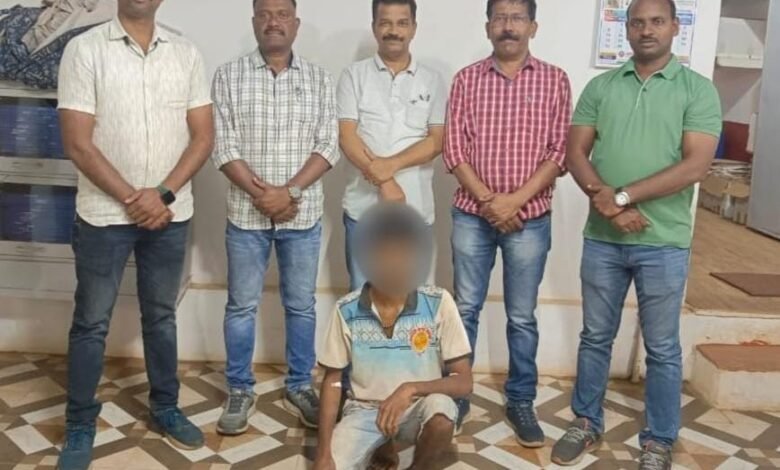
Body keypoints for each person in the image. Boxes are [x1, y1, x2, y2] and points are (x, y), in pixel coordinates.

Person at [550, 0, 722, 468]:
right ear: (626, 29)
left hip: (664, 242)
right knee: (595, 337)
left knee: (662, 348)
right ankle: (586, 422)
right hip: (603, 238)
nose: (647, 30)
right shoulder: (602, 87)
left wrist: (621, 197)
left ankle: (659, 440)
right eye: (638, 22)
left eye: (657, 22)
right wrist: (607, 204)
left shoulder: (697, 91)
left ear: (675, 27)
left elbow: (696, 165)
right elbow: (575, 152)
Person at [55, 0, 214, 467]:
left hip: (169, 215)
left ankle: (165, 407)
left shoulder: (185, 52)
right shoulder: (85, 50)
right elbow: (77, 144)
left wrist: (161, 194)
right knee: (91, 322)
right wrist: (133, 198)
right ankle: (79, 423)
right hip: (104, 217)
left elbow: (203, 137)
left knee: (161, 316)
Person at [443, 0, 572, 444]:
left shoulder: (555, 80)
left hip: (529, 219)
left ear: (533, 27)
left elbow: (559, 151)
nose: (508, 26)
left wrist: (514, 201)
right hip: (471, 214)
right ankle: (457, 395)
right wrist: (488, 201)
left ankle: (520, 400)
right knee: (464, 309)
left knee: (521, 316)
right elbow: (454, 150)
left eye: (517, 18)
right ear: (487, 27)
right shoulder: (467, 79)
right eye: (500, 18)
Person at [211, 0, 339, 435]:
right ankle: (239, 388)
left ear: (296, 24)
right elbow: (223, 146)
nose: (273, 22)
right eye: (265, 14)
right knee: (241, 306)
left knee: (301, 306)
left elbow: (328, 145)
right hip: (245, 216)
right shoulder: (228, 76)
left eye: (282, 14)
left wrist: (290, 192)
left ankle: (300, 384)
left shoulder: (319, 79)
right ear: (254, 22)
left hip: (301, 216)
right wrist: (263, 195)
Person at [314, 203, 473, 470]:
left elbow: (464, 381)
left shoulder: (438, 302)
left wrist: (410, 389)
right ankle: (382, 447)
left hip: (417, 405)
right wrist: (322, 453)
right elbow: (333, 381)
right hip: (364, 411)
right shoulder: (346, 309)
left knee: (442, 412)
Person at [338, 0, 447, 291]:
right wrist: (386, 182)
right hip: (363, 212)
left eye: (402, 23)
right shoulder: (353, 76)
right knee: (362, 302)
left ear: (413, 28)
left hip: (415, 211)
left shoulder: (432, 80)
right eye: (385, 22)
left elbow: (436, 141)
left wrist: (390, 166)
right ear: (374, 27)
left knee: (413, 304)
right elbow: (347, 137)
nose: (393, 31)